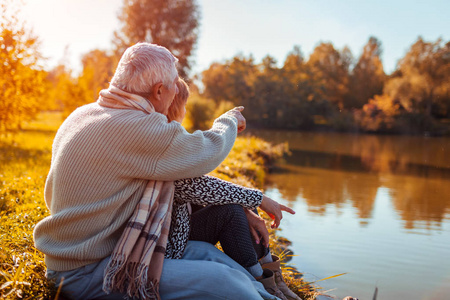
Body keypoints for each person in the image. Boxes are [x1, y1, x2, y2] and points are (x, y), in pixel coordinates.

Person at [33, 42, 286, 300]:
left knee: (212, 257)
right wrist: (229, 120)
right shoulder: (133, 126)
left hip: (115, 249)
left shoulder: (84, 113)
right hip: (85, 272)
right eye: (175, 83)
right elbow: (205, 151)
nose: (178, 90)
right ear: (159, 90)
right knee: (224, 281)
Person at [166, 78, 302, 300]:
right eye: (184, 104)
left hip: (178, 223)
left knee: (243, 206)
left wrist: (249, 203)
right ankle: (265, 285)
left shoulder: (168, 135)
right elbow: (190, 185)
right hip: (170, 239)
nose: (184, 110)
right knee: (232, 212)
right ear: (176, 105)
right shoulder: (162, 138)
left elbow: (194, 181)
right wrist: (258, 198)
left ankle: (274, 276)